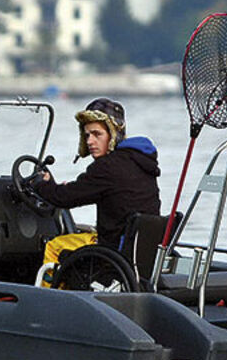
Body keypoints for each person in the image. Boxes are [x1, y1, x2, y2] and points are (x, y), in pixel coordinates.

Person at [31, 98, 161, 287]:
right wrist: (67, 189)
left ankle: (49, 301)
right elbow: (92, 192)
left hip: (112, 252)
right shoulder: (142, 162)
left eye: (96, 134)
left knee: (54, 246)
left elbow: (62, 198)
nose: (90, 141)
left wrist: (42, 185)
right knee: (81, 233)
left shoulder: (107, 167)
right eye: (87, 135)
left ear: (113, 133)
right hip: (136, 252)